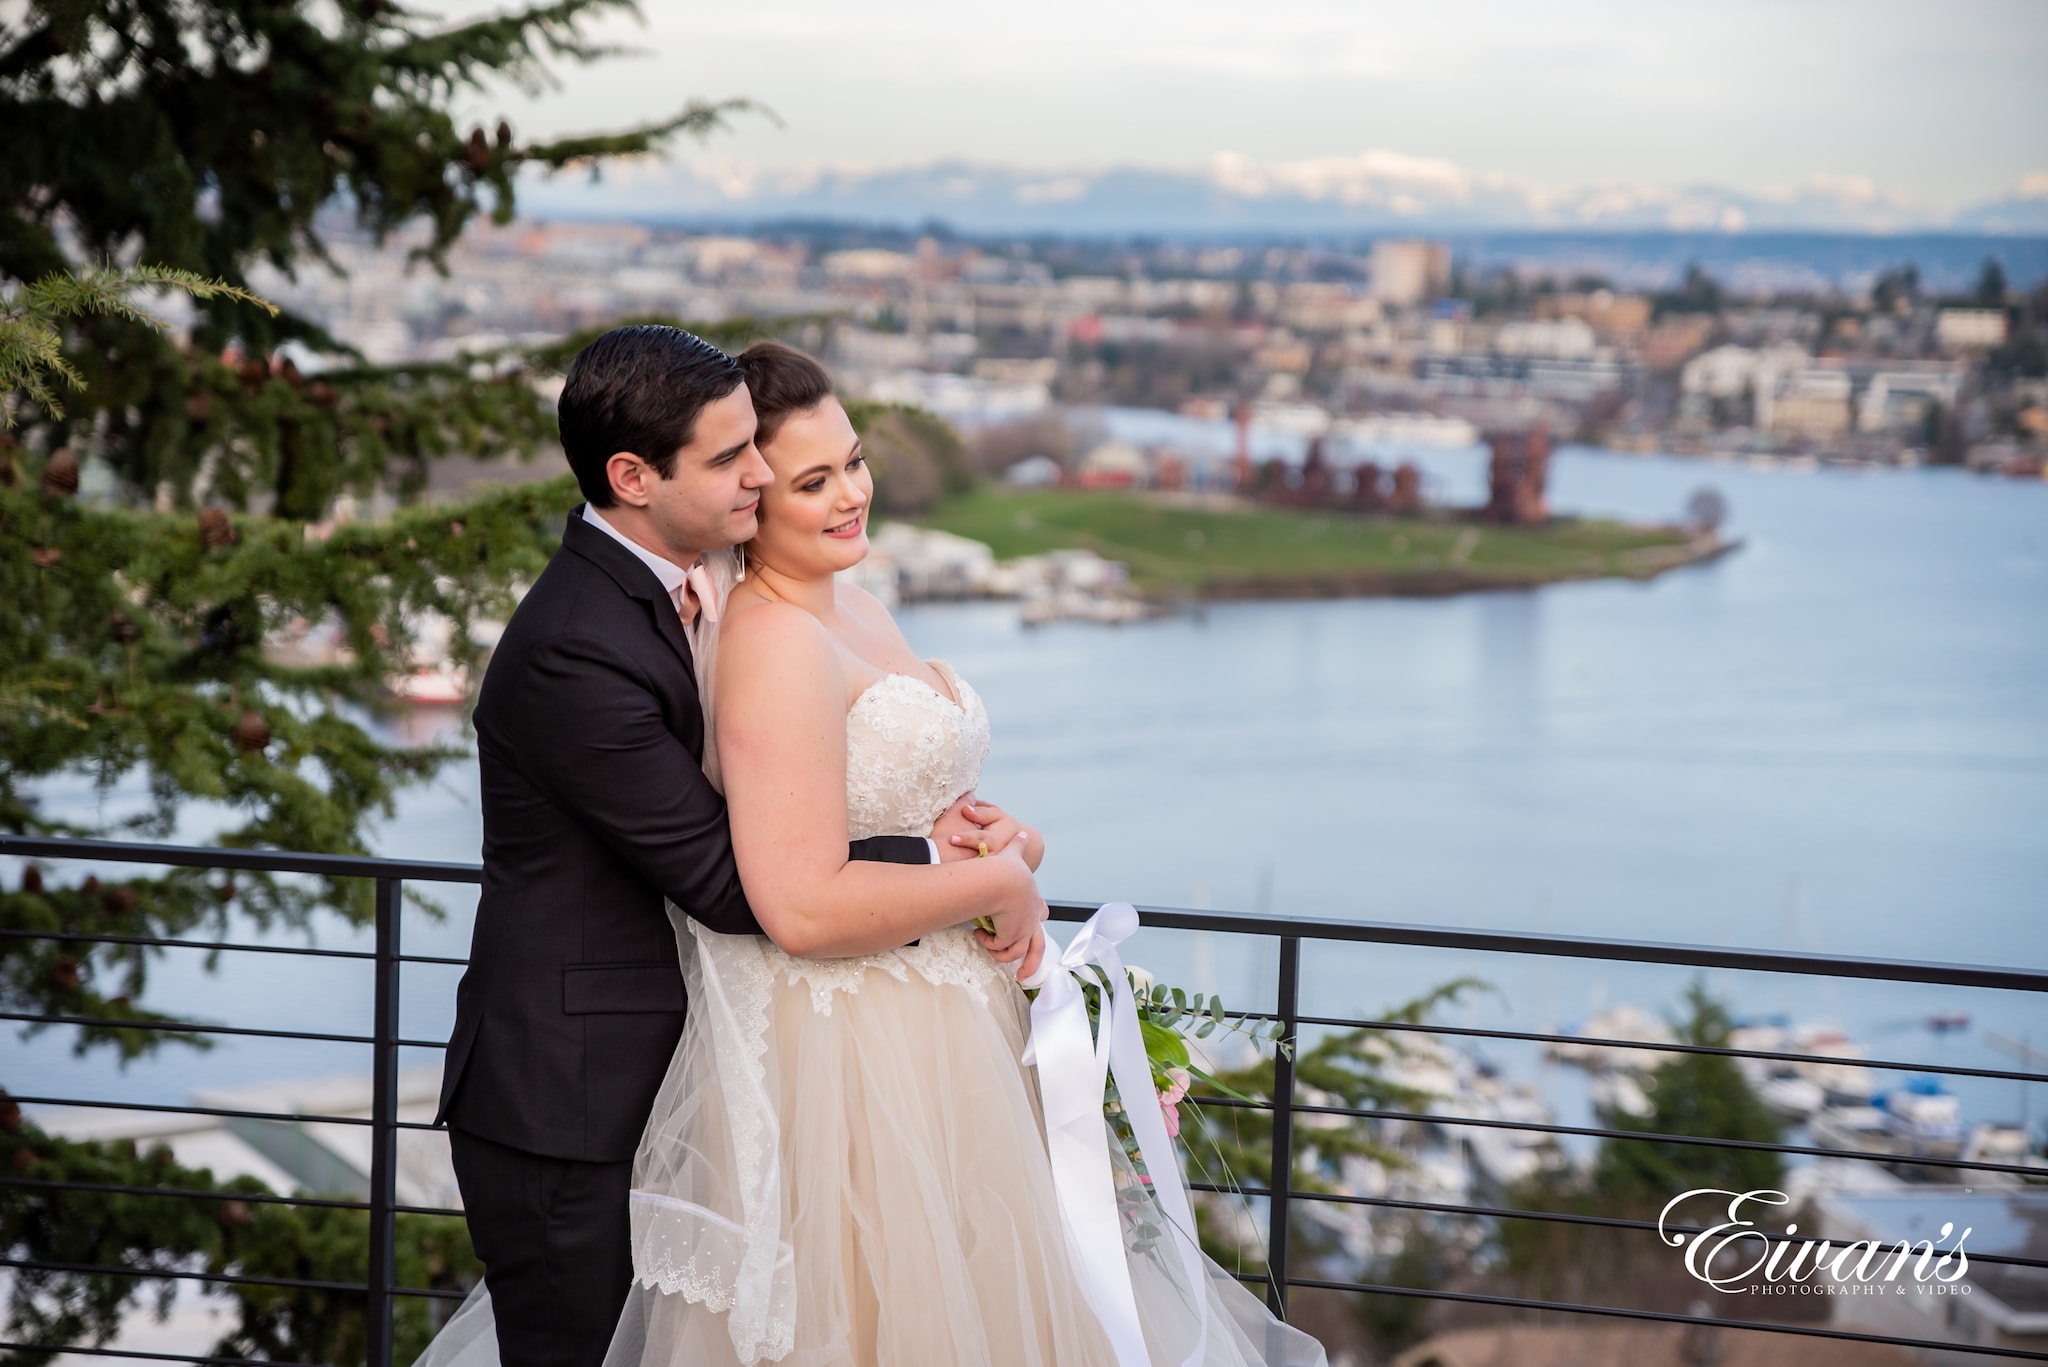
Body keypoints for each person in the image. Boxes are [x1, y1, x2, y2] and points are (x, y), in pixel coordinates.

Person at [432, 325, 1050, 1367]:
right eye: (731, 460)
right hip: (570, 1100)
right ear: (633, 477)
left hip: (696, 1063)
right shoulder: (576, 646)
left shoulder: (704, 577)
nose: (759, 476)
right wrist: (971, 875)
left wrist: (958, 833)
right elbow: (739, 883)